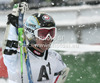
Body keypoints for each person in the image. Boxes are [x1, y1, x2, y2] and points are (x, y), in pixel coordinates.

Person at [2, 2, 69, 83]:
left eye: (51, 33)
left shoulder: (55, 57)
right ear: (31, 34)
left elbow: (60, 76)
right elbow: (8, 50)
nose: (48, 38)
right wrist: (13, 25)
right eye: (43, 34)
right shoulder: (17, 58)